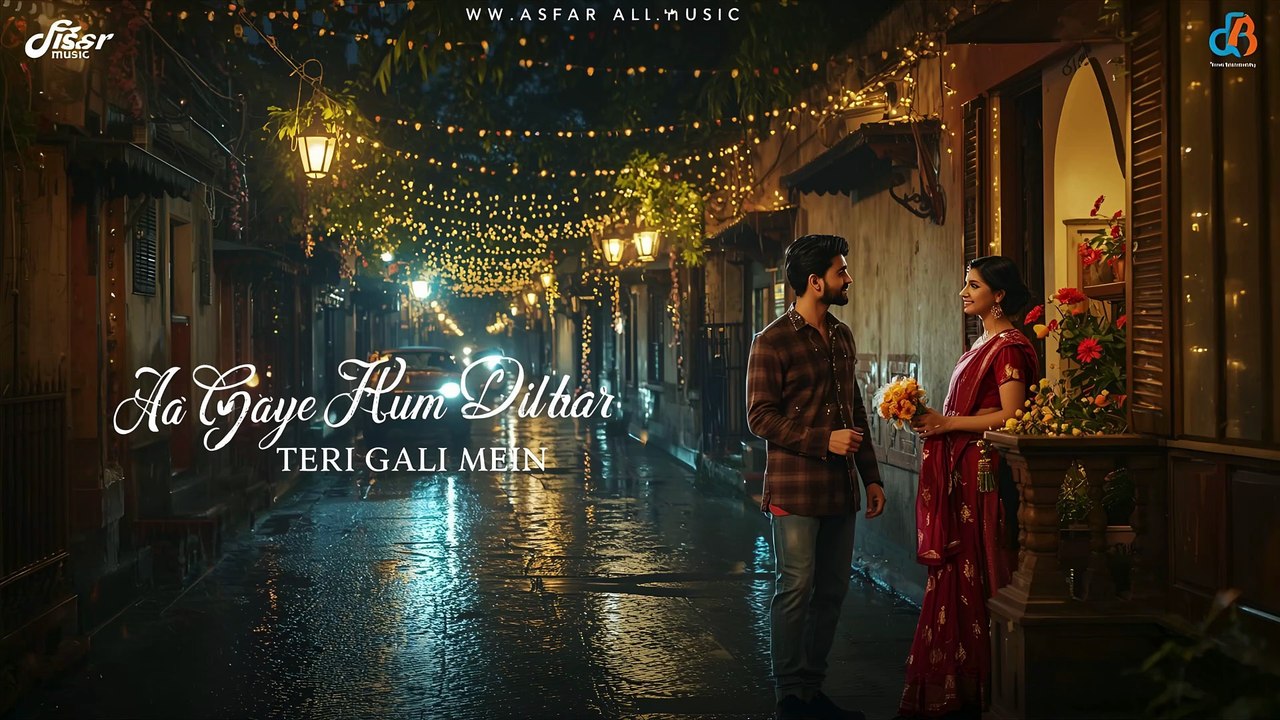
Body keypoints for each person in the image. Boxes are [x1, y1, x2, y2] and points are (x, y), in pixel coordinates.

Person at [747, 234, 886, 720]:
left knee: (831, 590)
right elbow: (759, 416)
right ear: (815, 281)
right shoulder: (771, 341)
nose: (847, 278)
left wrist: (871, 476)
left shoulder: (843, 336)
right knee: (796, 587)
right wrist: (820, 440)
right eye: (840, 271)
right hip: (794, 487)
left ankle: (812, 688)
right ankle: (789, 697)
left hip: (840, 488)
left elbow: (856, 411)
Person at [898, 256, 1038, 718]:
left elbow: (1013, 416)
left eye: (973, 285)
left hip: (987, 476)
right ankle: (956, 678)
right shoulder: (982, 342)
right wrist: (934, 423)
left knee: (979, 564)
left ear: (998, 295)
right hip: (964, 474)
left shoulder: (1010, 348)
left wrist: (946, 424)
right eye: (965, 283)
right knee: (958, 569)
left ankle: (985, 683)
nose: (963, 292)